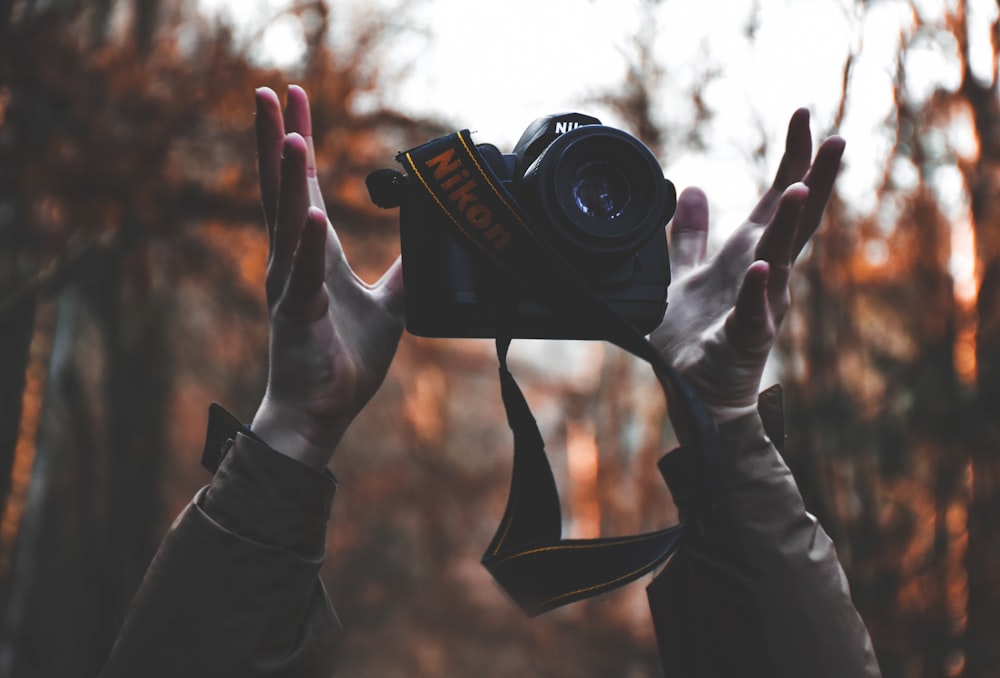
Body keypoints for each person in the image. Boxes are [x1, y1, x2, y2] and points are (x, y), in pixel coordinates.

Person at [99, 85, 880, 677]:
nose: (588, 214)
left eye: (607, 202)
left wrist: (724, 420)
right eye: (513, 216)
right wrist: (291, 424)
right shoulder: (459, 181)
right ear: (480, 205)